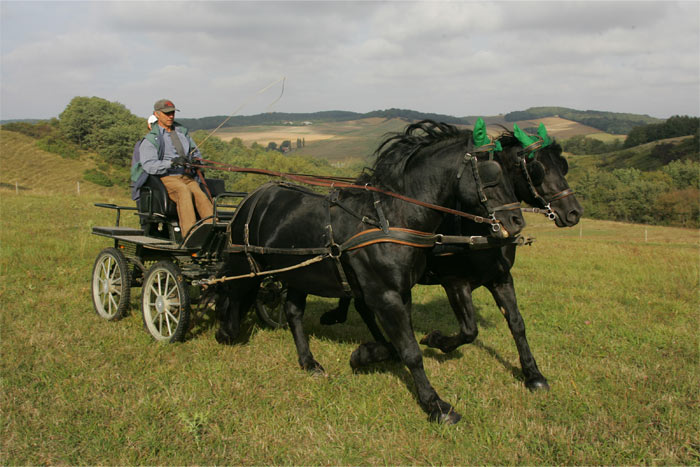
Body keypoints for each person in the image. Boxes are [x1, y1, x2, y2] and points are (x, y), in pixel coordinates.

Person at [139, 99, 213, 237]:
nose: (171, 116)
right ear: (157, 114)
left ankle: (212, 230)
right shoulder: (151, 139)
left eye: (172, 113)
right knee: (183, 191)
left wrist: (195, 160)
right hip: (166, 177)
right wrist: (171, 163)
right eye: (167, 113)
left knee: (200, 194)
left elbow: (196, 152)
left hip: (186, 176)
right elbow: (149, 165)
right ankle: (190, 234)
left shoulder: (182, 133)